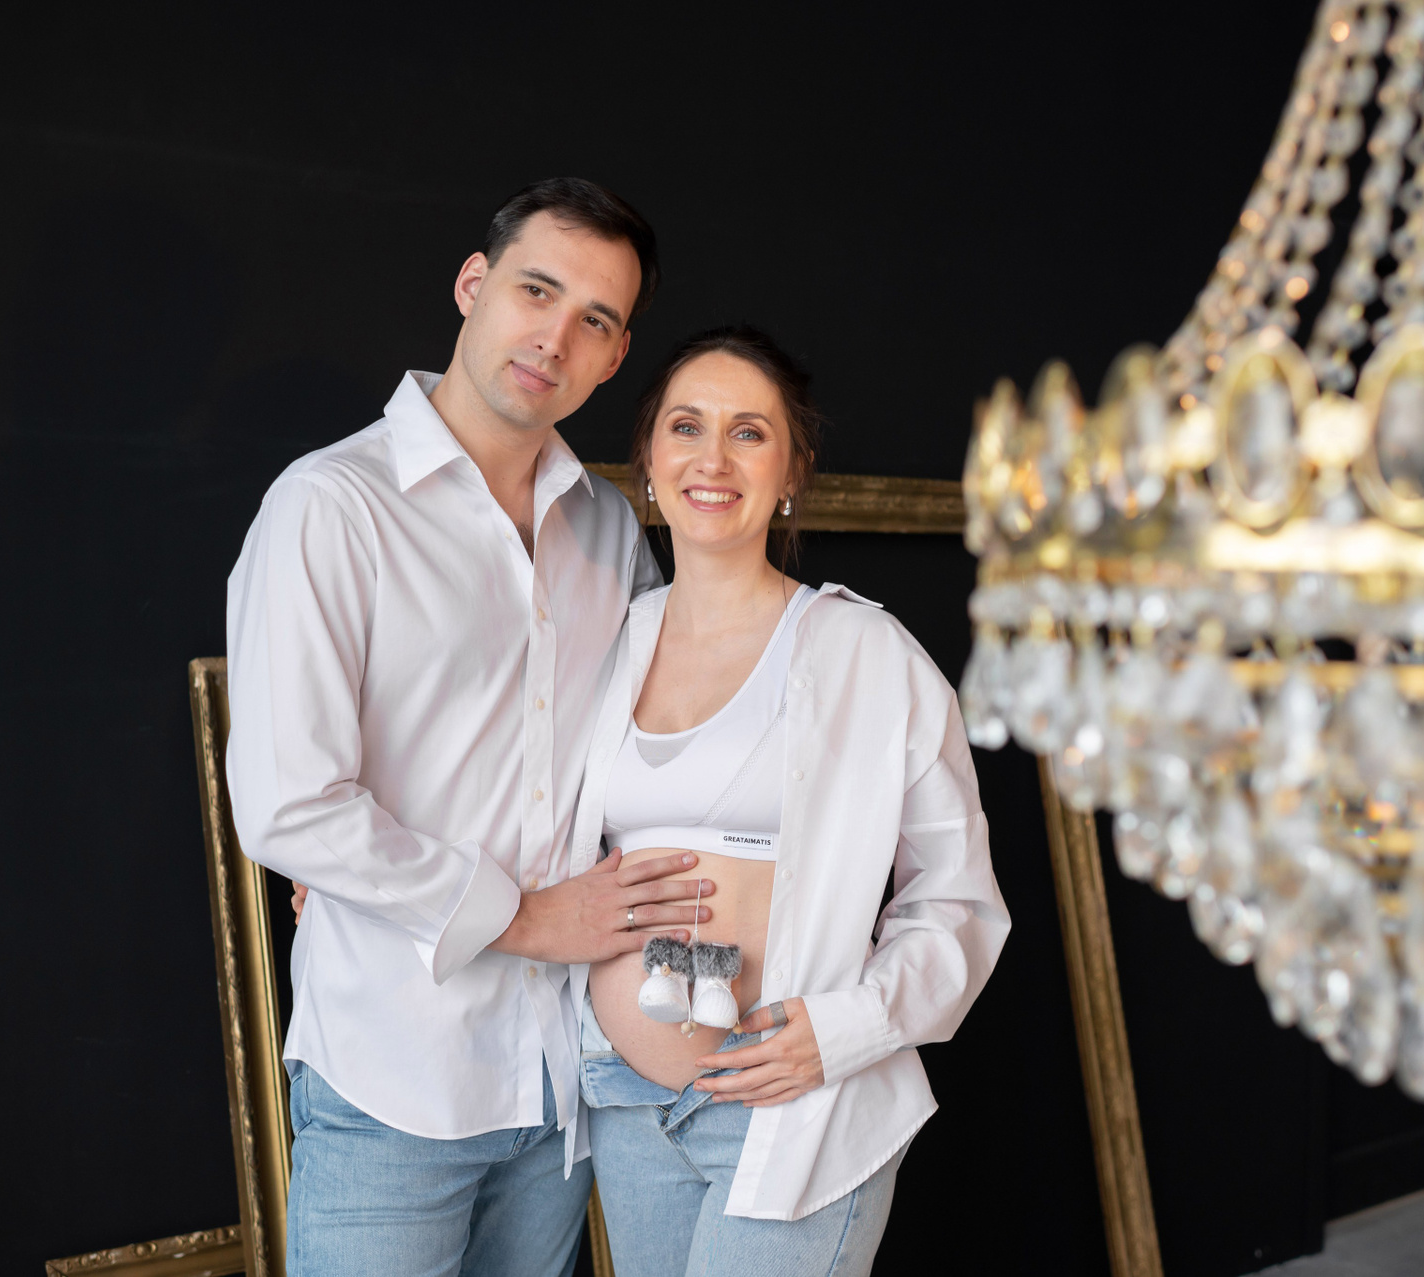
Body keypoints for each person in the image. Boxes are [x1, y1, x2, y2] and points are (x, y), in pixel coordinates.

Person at [225, 177, 716, 1277]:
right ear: (472, 284)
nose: (555, 337)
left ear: (615, 356)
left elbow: (646, 764)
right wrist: (527, 916)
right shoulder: (330, 506)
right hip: (392, 1077)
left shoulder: (610, 531)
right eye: (537, 291)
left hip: (561, 1084)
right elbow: (288, 803)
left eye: (594, 319)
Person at [571, 328, 1011, 1276]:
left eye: (749, 432)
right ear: (648, 459)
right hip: (625, 1100)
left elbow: (958, 896)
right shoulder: (604, 645)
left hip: (791, 1103)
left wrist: (847, 1030)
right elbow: (510, 801)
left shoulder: (865, 652)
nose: (713, 458)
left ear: (791, 470)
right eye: (686, 426)